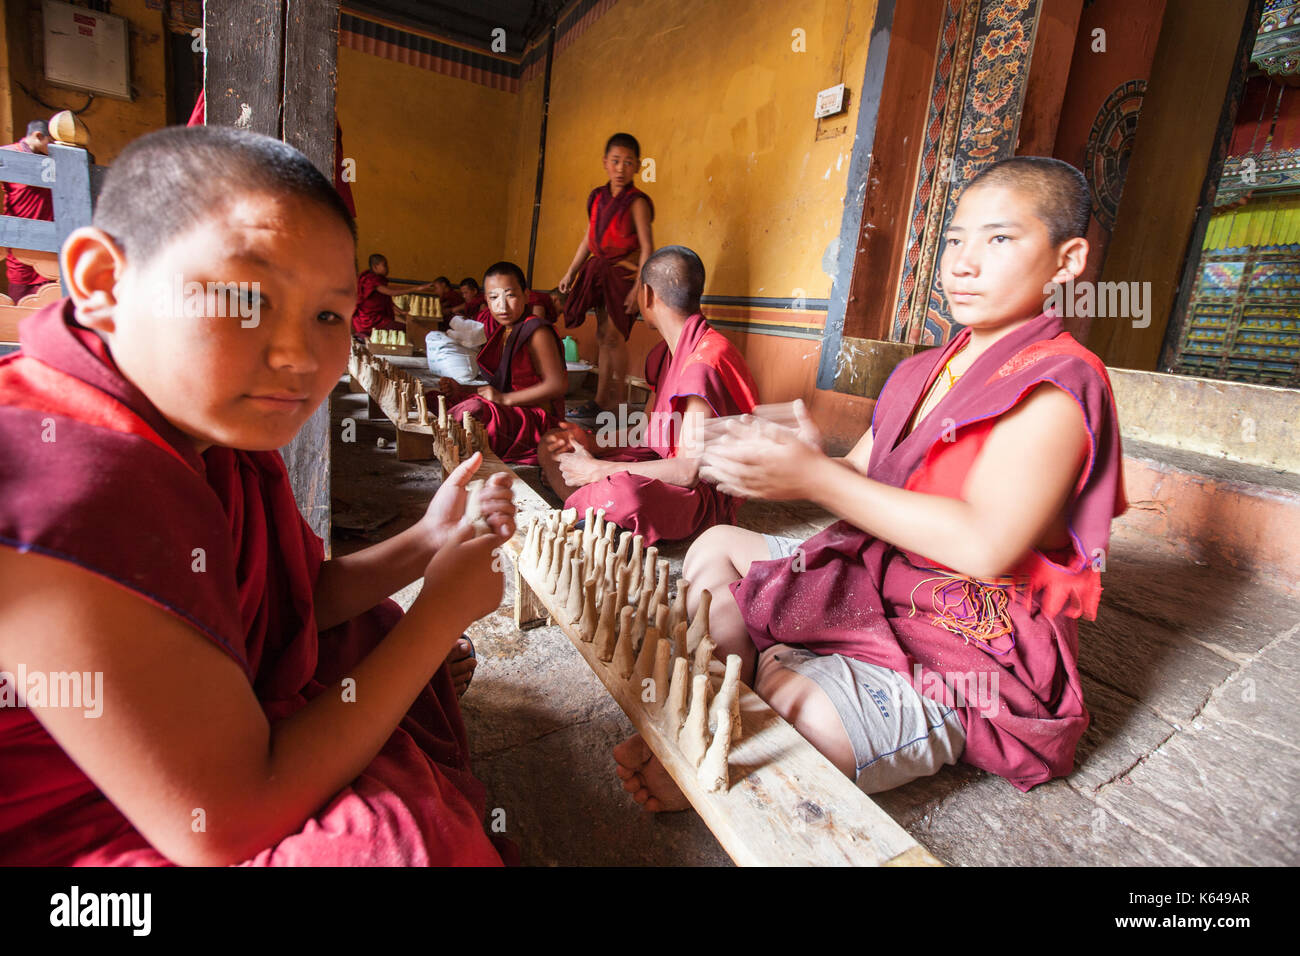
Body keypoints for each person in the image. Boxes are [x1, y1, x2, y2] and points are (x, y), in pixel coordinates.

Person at [0, 126, 517, 866]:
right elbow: (220, 827)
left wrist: (428, 543)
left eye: (329, 315)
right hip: (84, 828)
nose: (299, 357)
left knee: (365, 632)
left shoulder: (217, 437)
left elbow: (290, 603)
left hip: (186, 759)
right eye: (248, 298)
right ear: (102, 281)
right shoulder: (59, 479)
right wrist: (440, 615)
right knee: (399, 848)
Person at [614, 157, 1127, 809]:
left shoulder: (1058, 386)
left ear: (1068, 259)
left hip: (969, 623)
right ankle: (727, 704)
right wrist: (793, 462)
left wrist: (818, 479)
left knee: (809, 711)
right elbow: (856, 471)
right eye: (954, 240)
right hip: (876, 568)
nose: (963, 263)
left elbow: (984, 545)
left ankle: (750, 709)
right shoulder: (922, 370)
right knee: (714, 545)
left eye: (999, 239)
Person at [539, 246, 758, 545]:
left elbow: (687, 471)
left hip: (699, 492)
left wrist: (596, 469)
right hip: (660, 462)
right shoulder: (668, 353)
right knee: (554, 442)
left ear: (648, 295)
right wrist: (593, 443)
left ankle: (590, 506)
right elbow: (648, 432)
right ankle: (594, 511)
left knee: (626, 494)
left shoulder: (705, 361)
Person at [557, 133, 653, 418]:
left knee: (614, 337)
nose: (621, 168)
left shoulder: (637, 202)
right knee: (602, 335)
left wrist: (638, 287)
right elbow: (589, 236)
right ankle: (601, 399)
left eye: (628, 162)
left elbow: (648, 247)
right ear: (605, 163)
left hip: (624, 276)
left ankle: (620, 402)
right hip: (598, 271)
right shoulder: (597, 197)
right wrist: (571, 271)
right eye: (615, 161)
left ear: (637, 166)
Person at [436, 261, 567, 466]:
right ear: (486, 300)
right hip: (513, 408)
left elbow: (557, 385)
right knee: (437, 399)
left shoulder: (537, 331)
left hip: (536, 418)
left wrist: (504, 399)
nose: (502, 305)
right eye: (494, 297)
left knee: (472, 411)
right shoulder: (506, 330)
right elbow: (500, 385)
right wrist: (461, 388)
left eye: (511, 295)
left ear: (526, 295)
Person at [2, 120, 54, 302]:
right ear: (39, 136)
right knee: (22, 295)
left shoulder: (51, 162)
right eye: (52, 142)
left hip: (49, 241)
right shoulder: (8, 155)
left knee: (51, 295)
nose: (54, 148)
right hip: (21, 240)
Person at [351, 253, 435, 338]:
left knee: (402, 329)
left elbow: (386, 300)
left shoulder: (378, 279)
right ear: (375, 266)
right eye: (384, 265)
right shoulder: (371, 281)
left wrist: (401, 311)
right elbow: (392, 292)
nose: (387, 268)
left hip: (377, 318)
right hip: (370, 320)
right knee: (404, 329)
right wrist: (416, 289)